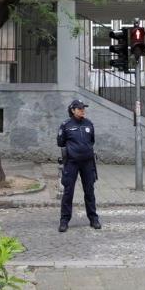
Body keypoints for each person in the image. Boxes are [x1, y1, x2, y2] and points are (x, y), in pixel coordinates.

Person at [57, 99, 100, 232]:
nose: (82, 110)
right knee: (68, 192)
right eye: (80, 108)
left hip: (87, 162)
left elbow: (92, 141)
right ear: (73, 110)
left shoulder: (89, 124)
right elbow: (60, 142)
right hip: (71, 163)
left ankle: (93, 219)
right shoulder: (66, 125)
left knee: (89, 191)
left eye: (83, 108)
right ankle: (64, 220)